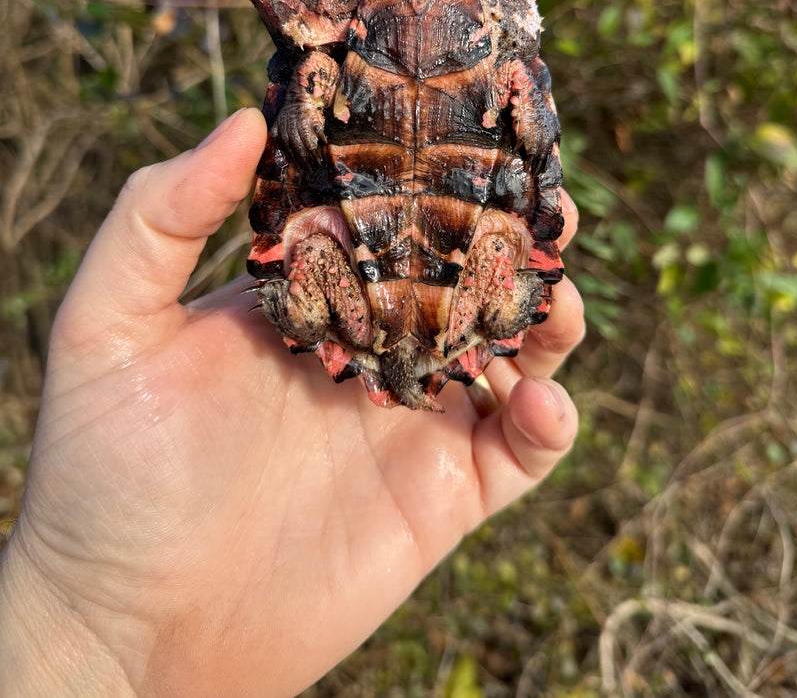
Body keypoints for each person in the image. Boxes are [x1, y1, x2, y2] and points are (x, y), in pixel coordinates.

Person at [0, 108, 584, 697]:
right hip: (457, 148)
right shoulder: (461, 311)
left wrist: (74, 622)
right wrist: (81, 617)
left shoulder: (337, 298)